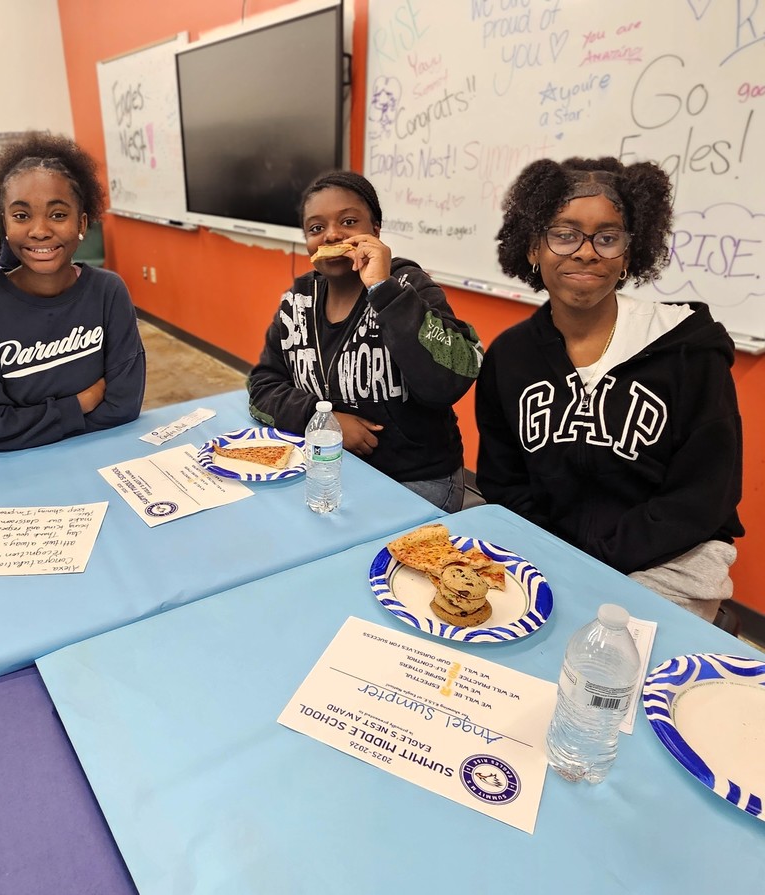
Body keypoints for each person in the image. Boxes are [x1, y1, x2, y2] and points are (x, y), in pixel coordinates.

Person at [475, 156, 744, 621]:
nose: (585, 252)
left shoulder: (688, 351)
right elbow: (504, 482)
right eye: (563, 234)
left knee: (613, 671)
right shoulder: (510, 356)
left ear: (628, 255)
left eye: (607, 237)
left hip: (668, 563)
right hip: (549, 549)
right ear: (533, 249)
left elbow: (704, 496)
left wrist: (595, 562)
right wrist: (556, 556)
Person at [247, 171, 483, 512]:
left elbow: (446, 384)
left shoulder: (408, 285)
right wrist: (323, 419)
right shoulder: (299, 298)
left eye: (348, 221)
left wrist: (383, 291)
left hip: (413, 479)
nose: (331, 234)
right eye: (316, 228)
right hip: (325, 466)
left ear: (375, 230)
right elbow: (262, 386)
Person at [0, 132, 145, 451]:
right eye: (22, 216)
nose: (39, 231)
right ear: (5, 225)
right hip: (19, 472)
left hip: (105, 451)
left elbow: (123, 406)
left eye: (57, 214)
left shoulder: (108, 292)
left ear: (82, 224)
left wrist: (26, 423)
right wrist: (81, 402)